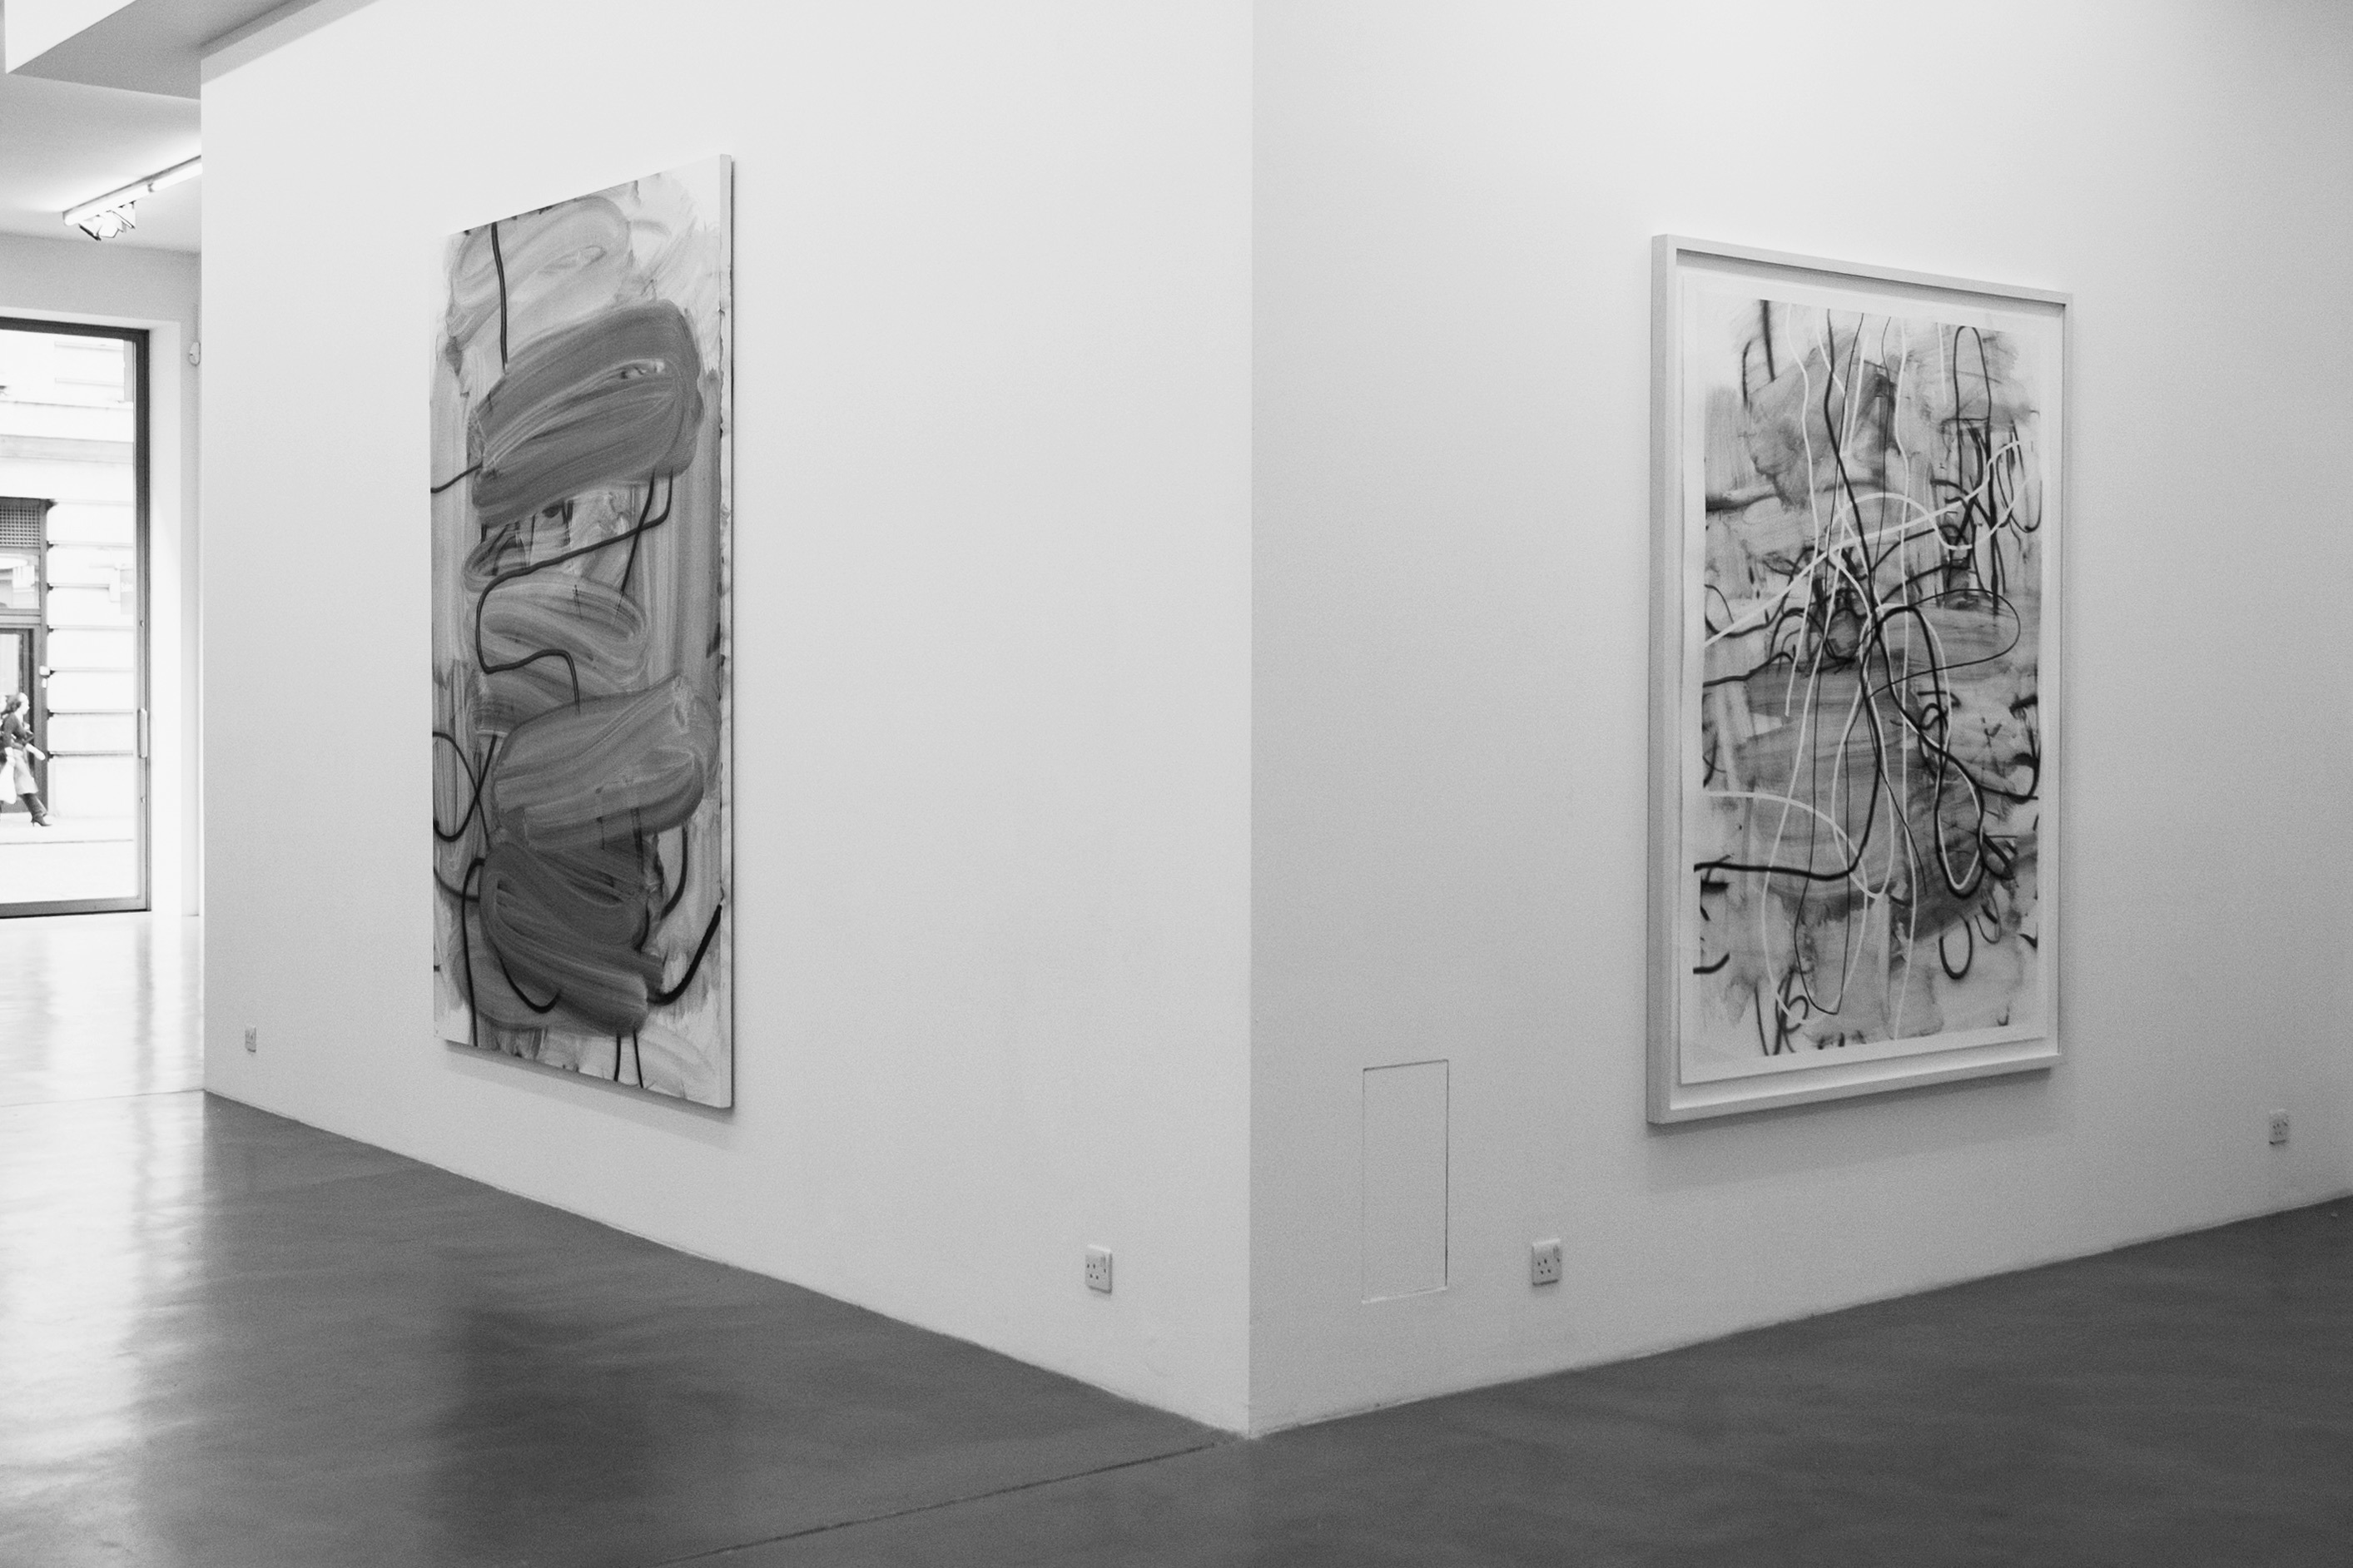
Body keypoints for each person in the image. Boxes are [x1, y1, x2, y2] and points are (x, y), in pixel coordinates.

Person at [0, 692, 49, 826]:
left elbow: (22, 741)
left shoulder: (18, 719)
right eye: (25, 702)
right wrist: (10, 756)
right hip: (15, 755)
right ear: (18, 705)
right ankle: (38, 813)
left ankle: (38, 813)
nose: (28, 705)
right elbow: (7, 738)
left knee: (18, 784)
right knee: (25, 783)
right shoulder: (12, 718)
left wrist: (36, 752)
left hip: (18, 754)